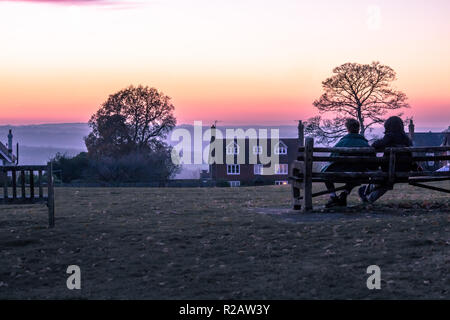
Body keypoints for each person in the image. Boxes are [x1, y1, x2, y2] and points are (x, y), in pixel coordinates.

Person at [358, 116, 413, 203]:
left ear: (388, 126)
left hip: (389, 171)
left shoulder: (389, 136)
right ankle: (368, 198)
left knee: (383, 178)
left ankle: (366, 190)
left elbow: (376, 145)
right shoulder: (406, 139)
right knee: (387, 183)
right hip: (404, 172)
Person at [322, 118, 373, 208]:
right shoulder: (365, 144)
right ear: (358, 129)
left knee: (326, 173)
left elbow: (331, 158)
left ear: (347, 129)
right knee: (356, 176)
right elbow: (372, 160)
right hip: (359, 174)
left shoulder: (342, 143)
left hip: (340, 172)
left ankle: (333, 196)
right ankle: (344, 194)